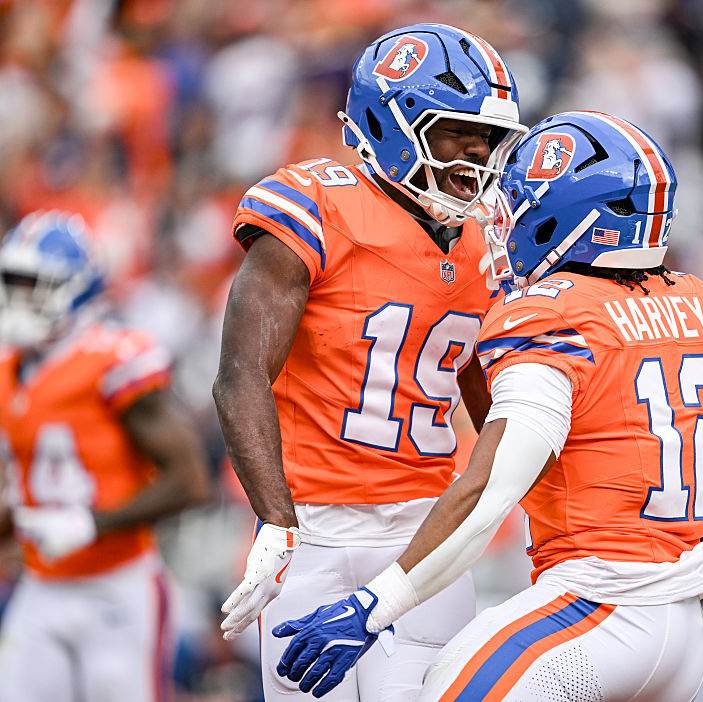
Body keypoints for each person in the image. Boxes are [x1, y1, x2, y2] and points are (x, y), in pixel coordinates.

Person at [269, 111, 703, 701]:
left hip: (591, 614)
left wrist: (372, 606)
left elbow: (490, 491)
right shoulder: (698, 306)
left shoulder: (551, 315)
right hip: (682, 631)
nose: (504, 220)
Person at [211, 23, 527, 702]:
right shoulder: (313, 203)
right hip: (313, 528)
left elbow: (502, 404)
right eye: (456, 131)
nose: (479, 152)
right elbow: (241, 375)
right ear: (392, 123)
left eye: (490, 137)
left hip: (422, 529)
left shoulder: (487, 240)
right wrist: (274, 521)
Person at [0, 211, 210, 702]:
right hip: (41, 584)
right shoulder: (9, 368)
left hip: (117, 585)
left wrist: (89, 524)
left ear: (73, 287)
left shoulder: (112, 360)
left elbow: (191, 481)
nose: (18, 299)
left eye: (33, 285)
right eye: (13, 283)